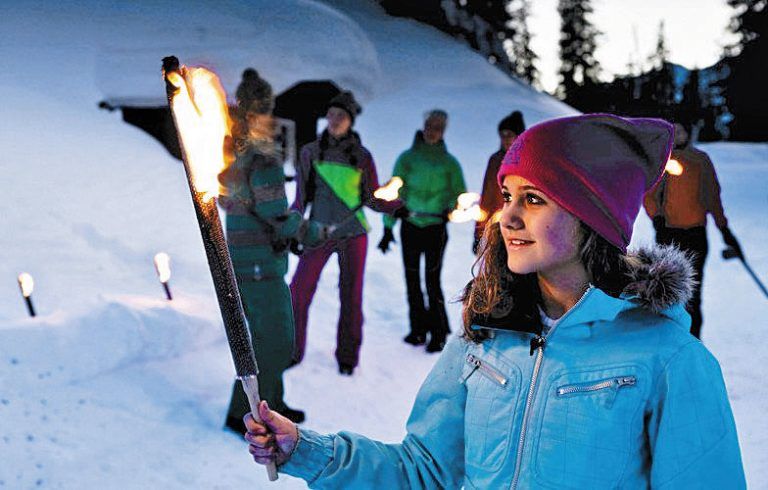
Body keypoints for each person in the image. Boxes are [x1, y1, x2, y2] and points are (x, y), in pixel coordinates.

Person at [243, 114, 745, 489]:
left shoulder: (670, 359)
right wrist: (306, 452)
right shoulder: (483, 338)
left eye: (534, 198)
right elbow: (424, 471)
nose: (506, 217)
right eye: (507, 196)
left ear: (592, 216)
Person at [218, 69, 330, 430]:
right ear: (256, 114)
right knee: (277, 341)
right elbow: (276, 213)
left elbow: (234, 202)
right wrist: (311, 231)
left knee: (267, 338)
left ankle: (272, 403)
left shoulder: (233, 155)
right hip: (259, 266)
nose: (271, 118)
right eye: (266, 110)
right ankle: (244, 413)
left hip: (243, 261)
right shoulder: (262, 159)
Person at [289, 90, 404, 375]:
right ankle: (292, 351)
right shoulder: (310, 152)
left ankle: (347, 357)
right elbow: (301, 198)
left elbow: (371, 198)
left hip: (354, 234)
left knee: (351, 296)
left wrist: (398, 207)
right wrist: (294, 228)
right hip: (318, 231)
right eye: (331, 114)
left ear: (351, 121)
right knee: (298, 292)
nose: (334, 120)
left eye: (341, 115)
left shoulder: (362, 157)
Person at [378, 110, 466, 353]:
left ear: (444, 131)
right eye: (430, 125)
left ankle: (437, 332)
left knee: (432, 280)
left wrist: (451, 208)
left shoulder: (450, 163)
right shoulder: (407, 158)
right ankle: (418, 330)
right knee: (412, 279)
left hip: (435, 228)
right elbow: (394, 192)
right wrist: (388, 228)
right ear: (423, 125)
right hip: (411, 226)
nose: (433, 130)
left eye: (438, 127)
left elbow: (459, 192)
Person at [643, 121, 741, 339]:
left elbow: (712, 197)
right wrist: (657, 217)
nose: (677, 134)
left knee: (693, 295)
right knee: (667, 292)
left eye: (681, 130)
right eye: (673, 130)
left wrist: (723, 228)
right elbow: (648, 194)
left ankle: (693, 342)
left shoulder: (700, 160)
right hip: (668, 235)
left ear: (688, 133)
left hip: (695, 234)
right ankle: (669, 340)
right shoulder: (662, 160)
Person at [474, 110, 525, 254]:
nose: (505, 139)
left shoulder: (526, 161)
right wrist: (479, 231)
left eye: (510, 134)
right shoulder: (495, 160)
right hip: (497, 226)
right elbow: (487, 195)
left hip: (519, 225)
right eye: (502, 135)